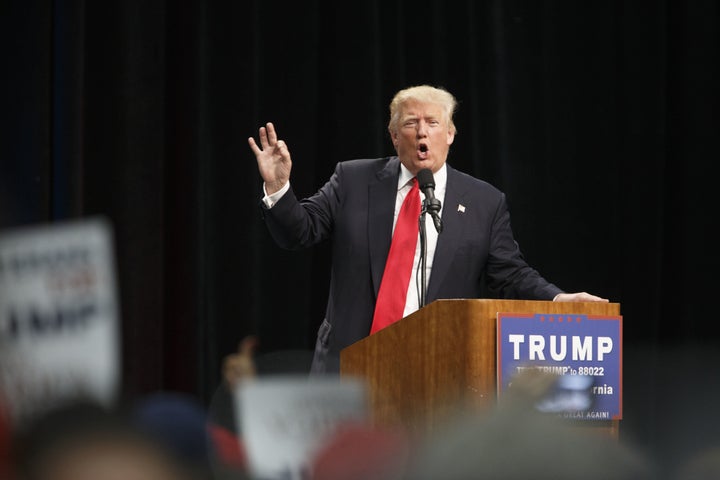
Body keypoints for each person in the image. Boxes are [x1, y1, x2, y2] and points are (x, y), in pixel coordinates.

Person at [248, 84, 608, 375]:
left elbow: (510, 274)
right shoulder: (353, 180)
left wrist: (557, 299)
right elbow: (300, 232)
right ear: (393, 136)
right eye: (410, 122)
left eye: (433, 123)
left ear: (450, 134)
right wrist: (279, 189)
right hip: (348, 367)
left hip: (435, 368)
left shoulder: (484, 202)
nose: (422, 131)